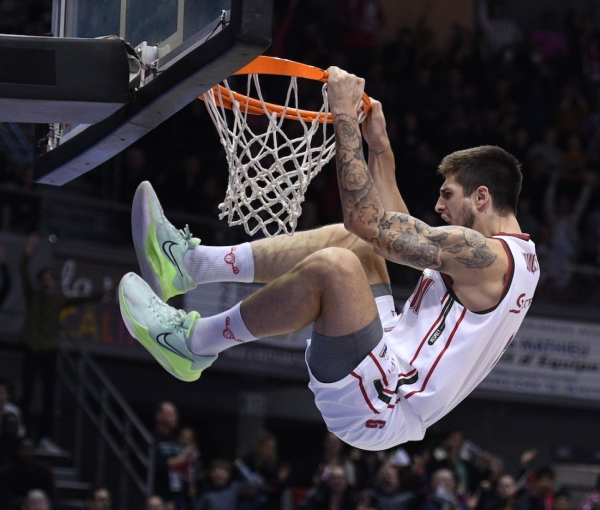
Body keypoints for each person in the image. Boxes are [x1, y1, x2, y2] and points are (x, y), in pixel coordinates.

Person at [118, 67, 539, 451]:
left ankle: (193, 343)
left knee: (335, 266)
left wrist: (342, 118)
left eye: (448, 195)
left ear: (482, 197)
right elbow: (390, 231)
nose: (440, 205)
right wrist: (380, 148)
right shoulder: (511, 258)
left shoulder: (488, 257)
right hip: (387, 357)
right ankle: (188, 266)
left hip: (385, 403)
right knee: (355, 246)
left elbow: (365, 219)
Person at [19, 233, 108, 445]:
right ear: (41, 282)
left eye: (51, 279)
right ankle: (22, 431)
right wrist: (29, 248)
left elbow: (83, 298)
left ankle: (46, 436)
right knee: (28, 391)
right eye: (45, 279)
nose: (48, 282)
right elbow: (23, 272)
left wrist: (107, 291)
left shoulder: (59, 299)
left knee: (50, 394)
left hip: (49, 348)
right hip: (31, 346)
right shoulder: (34, 295)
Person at [152, 401, 187, 510]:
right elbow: (156, 464)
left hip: (178, 493)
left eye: (176, 415)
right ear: (159, 416)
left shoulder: (176, 440)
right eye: (171, 414)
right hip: (160, 492)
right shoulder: (153, 439)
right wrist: (177, 460)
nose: (175, 418)